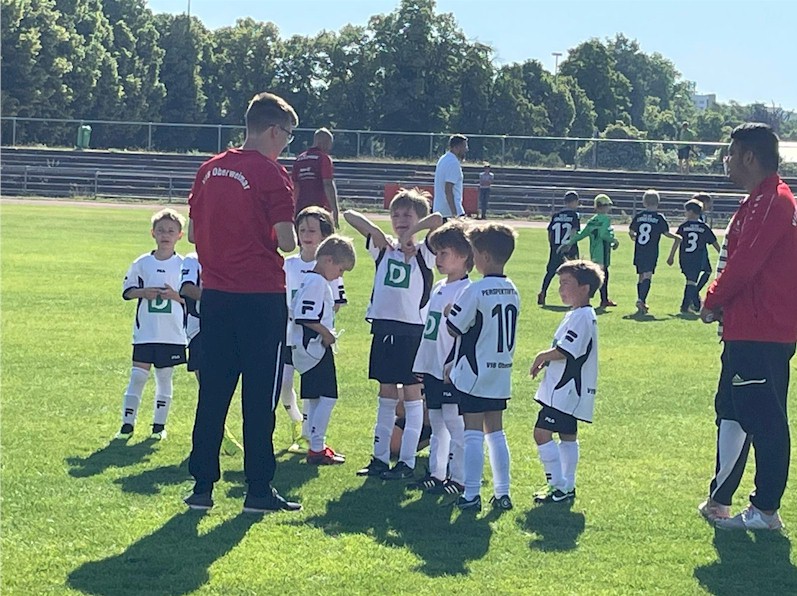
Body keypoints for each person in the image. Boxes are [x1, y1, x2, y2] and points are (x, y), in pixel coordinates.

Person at [184, 91, 301, 514]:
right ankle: (257, 489)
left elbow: (194, 234)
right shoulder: (272, 174)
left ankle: (201, 485)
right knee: (259, 396)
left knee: (212, 393)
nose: (287, 142)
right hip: (260, 297)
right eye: (287, 134)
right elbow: (287, 240)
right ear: (274, 130)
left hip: (215, 295)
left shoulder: (209, 169)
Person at [699, 122, 797, 531]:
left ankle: (766, 510)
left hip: (763, 330)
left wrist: (712, 299)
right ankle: (721, 499)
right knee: (733, 412)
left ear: (749, 156)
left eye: (731, 152)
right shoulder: (756, 200)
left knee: (764, 417)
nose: (726, 160)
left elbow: (745, 262)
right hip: (746, 327)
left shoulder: (772, 201)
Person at [344, 189, 443, 480]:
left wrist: (412, 234)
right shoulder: (383, 248)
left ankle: (407, 462)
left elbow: (439, 219)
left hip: (412, 333)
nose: (400, 220)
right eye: (396, 215)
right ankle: (379, 458)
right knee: (386, 395)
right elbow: (350, 215)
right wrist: (376, 231)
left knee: (412, 397)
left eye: (408, 215)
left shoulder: (424, 250)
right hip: (384, 329)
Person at [448, 223, 520, 512]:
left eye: (474, 253)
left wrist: (447, 311)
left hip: (474, 371)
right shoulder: (512, 289)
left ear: (485, 256)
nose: (472, 258)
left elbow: (454, 327)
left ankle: (471, 494)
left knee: (473, 433)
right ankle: (503, 493)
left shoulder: (475, 290)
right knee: (497, 433)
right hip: (500, 371)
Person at [530, 259, 604, 504]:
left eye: (566, 284)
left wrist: (542, 356)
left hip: (564, 389)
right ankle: (567, 486)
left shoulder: (582, 316)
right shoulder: (579, 313)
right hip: (567, 390)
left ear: (584, 288)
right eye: (559, 283)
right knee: (568, 435)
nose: (560, 289)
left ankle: (557, 485)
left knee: (541, 434)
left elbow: (567, 350)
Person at [410, 220, 473, 495]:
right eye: (436, 253)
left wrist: (453, 366)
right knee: (436, 422)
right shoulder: (438, 288)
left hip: (452, 370)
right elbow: (430, 332)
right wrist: (422, 364)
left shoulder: (467, 291)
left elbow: (464, 335)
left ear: (464, 256)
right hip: (433, 368)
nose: (438, 259)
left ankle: (460, 478)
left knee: (454, 423)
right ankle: (437, 474)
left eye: (444, 253)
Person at [117, 208, 187, 441]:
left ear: (180, 235)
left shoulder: (184, 265)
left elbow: (191, 298)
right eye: (160, 231)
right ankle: (127, 425)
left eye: (170, 231)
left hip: (173, 334)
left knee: (164, 378)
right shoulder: (143, 263)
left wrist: (175, 296)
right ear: (152, 234)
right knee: (138, 376)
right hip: (146, 332)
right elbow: (127, 292)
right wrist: (144, 292)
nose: (165, 235)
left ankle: (158, 426)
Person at [281, 207, 346, 454]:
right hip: (288, 334)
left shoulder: (330, 266)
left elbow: (337, 302)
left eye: (313, 230)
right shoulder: (288, 265)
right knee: (285, 384)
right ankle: (298, 421)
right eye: (302, 230)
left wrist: (320, 321)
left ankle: (310, 433)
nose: (307, 235)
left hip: (312, 338)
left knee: (314, 387)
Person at [289, 235, 356, 465]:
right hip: (314, 348)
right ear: (328, 260)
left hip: (306, 347)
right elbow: (305, 316)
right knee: (328, 397)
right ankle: (317, 447)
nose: (340, 275)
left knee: (316, 396)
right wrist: (327, 334)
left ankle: (316, 443)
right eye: (340, 269)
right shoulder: (317, 282)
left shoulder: (310, 280)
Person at [179, 253, 243, 456]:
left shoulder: (230, 253)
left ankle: (215, 440)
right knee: (207, 388)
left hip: (226, 325)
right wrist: (219, 299)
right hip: (199, 329)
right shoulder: (192, 259)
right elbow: (186, 288)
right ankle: (214, 442)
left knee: (218, 388)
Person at [559, 193, 619, 308]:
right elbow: (603, 234)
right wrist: (614, 241)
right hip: (603, 251)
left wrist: (568, 243)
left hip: (594, 251)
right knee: (603, 275)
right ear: (605, 206)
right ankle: (603, 299)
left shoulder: (592, 220)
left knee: (598, 274)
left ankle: (602, 299)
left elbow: (581, 234)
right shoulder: (605, 219)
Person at [628, 189, 679, 314]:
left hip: (639, 249)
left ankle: (641, 300)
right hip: (651, 250)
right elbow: (666, 233)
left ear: (644, 202)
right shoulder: (659, 217)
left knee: (640, 275)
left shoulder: (639, 216)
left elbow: (631, 231)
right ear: (658, 203)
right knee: (648, 275)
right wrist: (677, 237)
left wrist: (634, 237)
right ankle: (641, 299)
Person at [667, 199, 720, 313]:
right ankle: (686, 306)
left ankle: (693, 299)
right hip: (697, 257)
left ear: (691, 212)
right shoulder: (703, 227)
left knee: (699, 275)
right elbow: (714, 242)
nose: (685, 213)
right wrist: (722, 253)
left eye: (686, 211)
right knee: (693, 280)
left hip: (685, 257)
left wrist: (671, 256)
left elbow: (677, 241)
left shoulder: (683, 226)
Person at [538, 190, 581, 306]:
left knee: (550, 271)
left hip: (555, 246)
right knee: (574, 273)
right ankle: (575, 297)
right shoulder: (574, 215)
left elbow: (550, 232)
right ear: (575, 202)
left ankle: (543, 292)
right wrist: (570, 244)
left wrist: (552, 245)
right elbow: (573, 231)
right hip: (569, 248)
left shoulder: (556, 215)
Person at [292, 128, 339, 227]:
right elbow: (328, 184)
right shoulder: (323, 158)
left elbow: (295, 187)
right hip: (319, 208)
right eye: (329, 144)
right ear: (324, 142)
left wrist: (293, 208)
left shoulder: (299, 159)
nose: (329, 148)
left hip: (301, 209)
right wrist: (335, 209)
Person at [433, 134, 468, 219]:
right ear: (457, 147)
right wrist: (455, 214)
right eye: (464, 146)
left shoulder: (443, 159)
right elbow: (448, 189)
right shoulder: (453, 163)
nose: (466, 149)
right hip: (450, 212)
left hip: (440, 210)